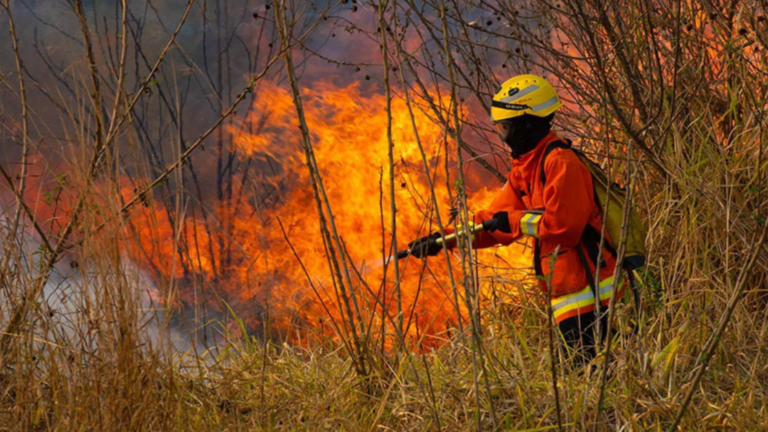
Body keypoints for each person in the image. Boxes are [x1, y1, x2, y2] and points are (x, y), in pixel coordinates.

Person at [408, 74, 623, 364]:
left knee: (595, 376)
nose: (503, 136)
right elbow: (494, 222)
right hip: (569, 291)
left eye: (505, 128)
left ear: (528, 124)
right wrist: (444, 239)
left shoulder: (560, 163)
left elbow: (564, 228)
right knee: (583, 377)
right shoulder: (528, 168)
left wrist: (517, 222)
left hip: (595, 292)